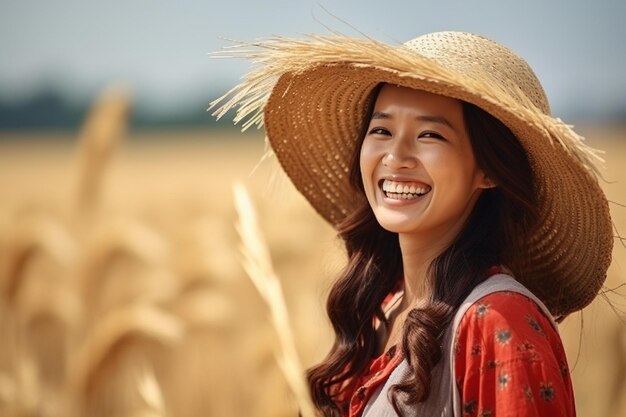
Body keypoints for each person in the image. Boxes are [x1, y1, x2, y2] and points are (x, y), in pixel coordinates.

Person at [212, 31, 613, 416]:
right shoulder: (385, 308)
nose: (395, 156)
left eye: (429, 135)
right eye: (382, 130)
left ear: (489, 170)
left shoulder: (497, 321)